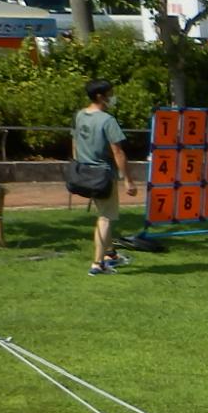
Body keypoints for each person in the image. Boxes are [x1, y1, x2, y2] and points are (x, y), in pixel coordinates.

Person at [74, 79, 136, 277]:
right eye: (110, 93)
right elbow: (118, 152)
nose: (113, 97)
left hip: (85, 172)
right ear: (100, 96)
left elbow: (75, 141)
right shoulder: (107, 120)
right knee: (105, 218)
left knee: (103, 212)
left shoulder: (80, 115)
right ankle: (97, 264)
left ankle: (110, 254)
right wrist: (128, 179)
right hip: (103, 175)